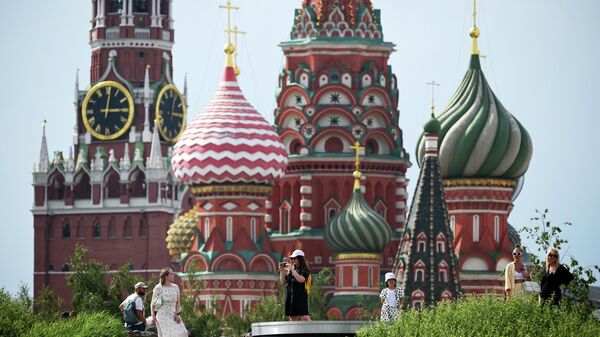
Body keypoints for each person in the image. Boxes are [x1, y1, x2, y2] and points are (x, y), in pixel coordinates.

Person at [151, 268, 188, 337]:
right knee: (169, 335)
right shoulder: (158, 288)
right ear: (166, 276)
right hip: (162, 315)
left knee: (183, 333)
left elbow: (178, 303)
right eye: (171, 274)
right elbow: (152, 304)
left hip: (173, 314)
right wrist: (153, 316)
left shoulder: (175, 287)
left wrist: (177, 314)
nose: (173, 275)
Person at [279, 249, 311, 321]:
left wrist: (292, 270)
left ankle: (313, 331)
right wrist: (282, 271)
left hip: (300, 296)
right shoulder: (291, 271)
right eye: (292, 258)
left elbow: (301, 280)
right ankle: (293, 332)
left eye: (295, 258)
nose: (293, 260)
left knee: (304, 316)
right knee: (292, 317)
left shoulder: (304, 270)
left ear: (300, 259)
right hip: (291, 296)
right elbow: (283, 282)